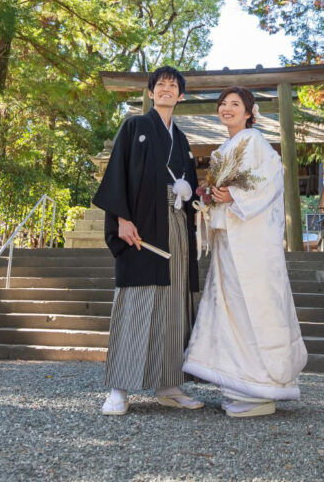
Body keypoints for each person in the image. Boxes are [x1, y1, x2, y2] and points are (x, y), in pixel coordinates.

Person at [183, 86, 307, 417]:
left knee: (254, 305)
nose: (227, 108)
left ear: (250, 112)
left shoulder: (255, 142)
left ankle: (261, 385)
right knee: (229, 308)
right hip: (229, 238)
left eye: (235, 104)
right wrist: (210, 198)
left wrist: (233, 196)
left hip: (250, 240)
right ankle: (238, 382)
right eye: (223, 103)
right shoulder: (225, 147)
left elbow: (269, 180)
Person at [92, 65, 203, 415]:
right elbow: (117, 173)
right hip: (141, 230)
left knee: (173, 309)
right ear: (152, 92)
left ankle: (168, 383)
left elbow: (190, 186)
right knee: (135, 305)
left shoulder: (182, 140)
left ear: (181, 95)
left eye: (174, 86)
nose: (167, 90)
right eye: (161, 85)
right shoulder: (136, 127)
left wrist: (191, 193)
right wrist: (121, 219)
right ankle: (118, 389)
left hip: (175, 231)